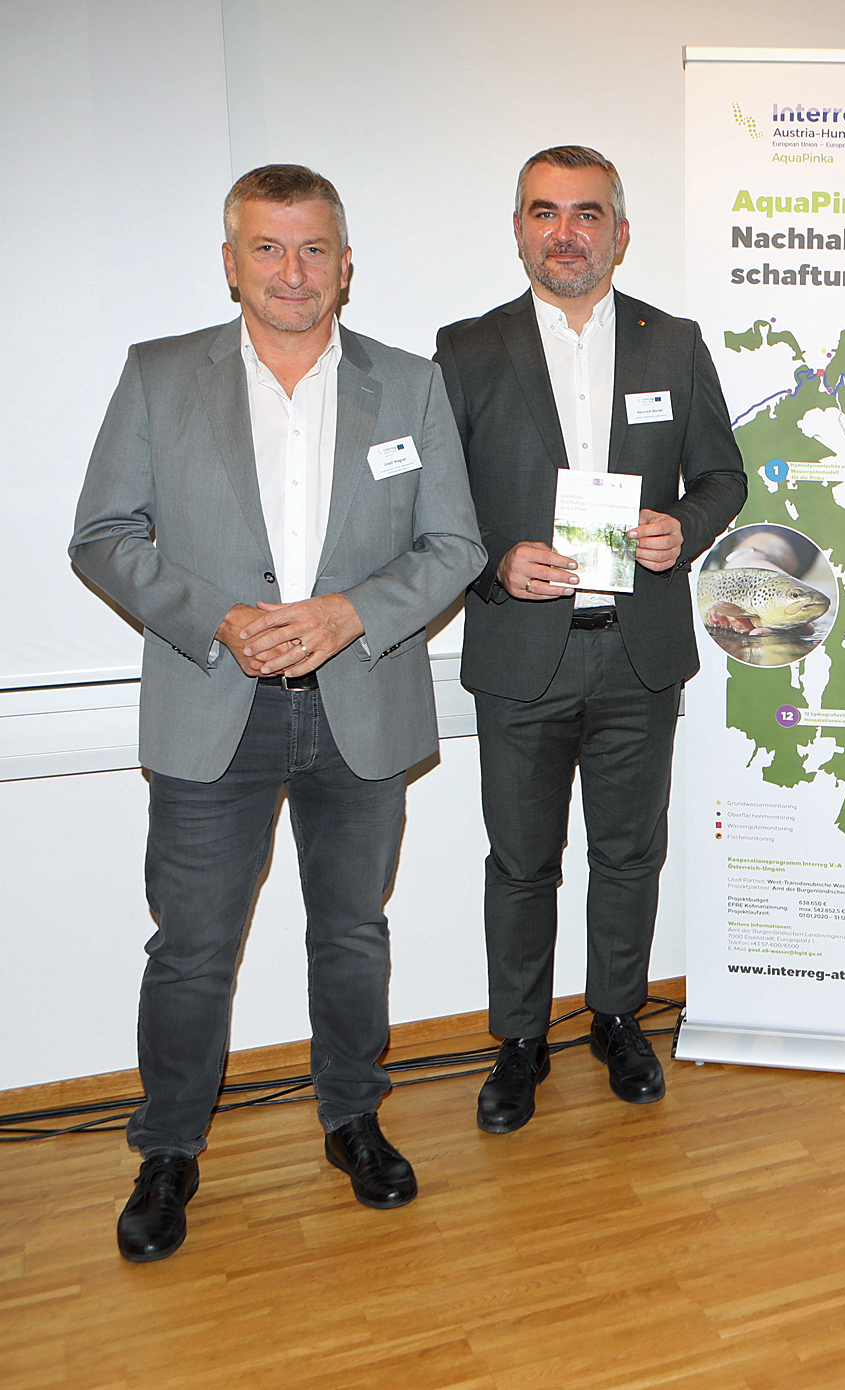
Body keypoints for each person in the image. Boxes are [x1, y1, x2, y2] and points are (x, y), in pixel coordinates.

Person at [70, 165, 485, 1261]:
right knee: (192, 949)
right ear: (231, 262)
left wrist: (353, 613)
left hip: (361, 707)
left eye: (312, 249)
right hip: (216, 707)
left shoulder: (410, 385)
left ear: (346, 266)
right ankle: (168, 1151)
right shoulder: (161, 376)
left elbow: (454, 543)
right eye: (267, 247)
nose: (291, 271)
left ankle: (353, 1118)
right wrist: (218, 618)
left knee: (351, 933)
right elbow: (101, 535)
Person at [436, 146, 746, 1133]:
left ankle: (617, 1018)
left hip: (636, 653)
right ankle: (519, 1041)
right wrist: (494, 562)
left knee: (627, 853)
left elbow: (724, 476)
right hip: (519, 652)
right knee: (522, 863)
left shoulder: (672, 343)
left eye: (585, 213)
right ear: (518, 229)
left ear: (620, 232)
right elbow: (431, 502)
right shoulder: (465, 350)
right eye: (545, 212)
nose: (565, 233)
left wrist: (681, 528)